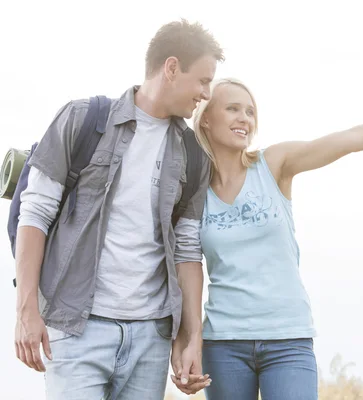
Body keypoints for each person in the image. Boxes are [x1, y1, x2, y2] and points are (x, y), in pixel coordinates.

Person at [170, 77, 363, 399]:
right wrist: (187, 341)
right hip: (224, 344)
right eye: (233, 109)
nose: (244, 119)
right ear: (205, 118)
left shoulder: (274, 164)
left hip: (288, 340)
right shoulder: (194, 193)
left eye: (250, 112)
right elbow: (186, 265)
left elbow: (352, 138)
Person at [14, 19, 222, 399]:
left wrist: (190, 338)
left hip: (150, 338)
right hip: (77, 329)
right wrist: (26, 311)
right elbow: (35, 213)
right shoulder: (83, 119)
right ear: (172, 68)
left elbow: (188, 250)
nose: (206, 93)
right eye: (203, 80)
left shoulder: (194, 154)